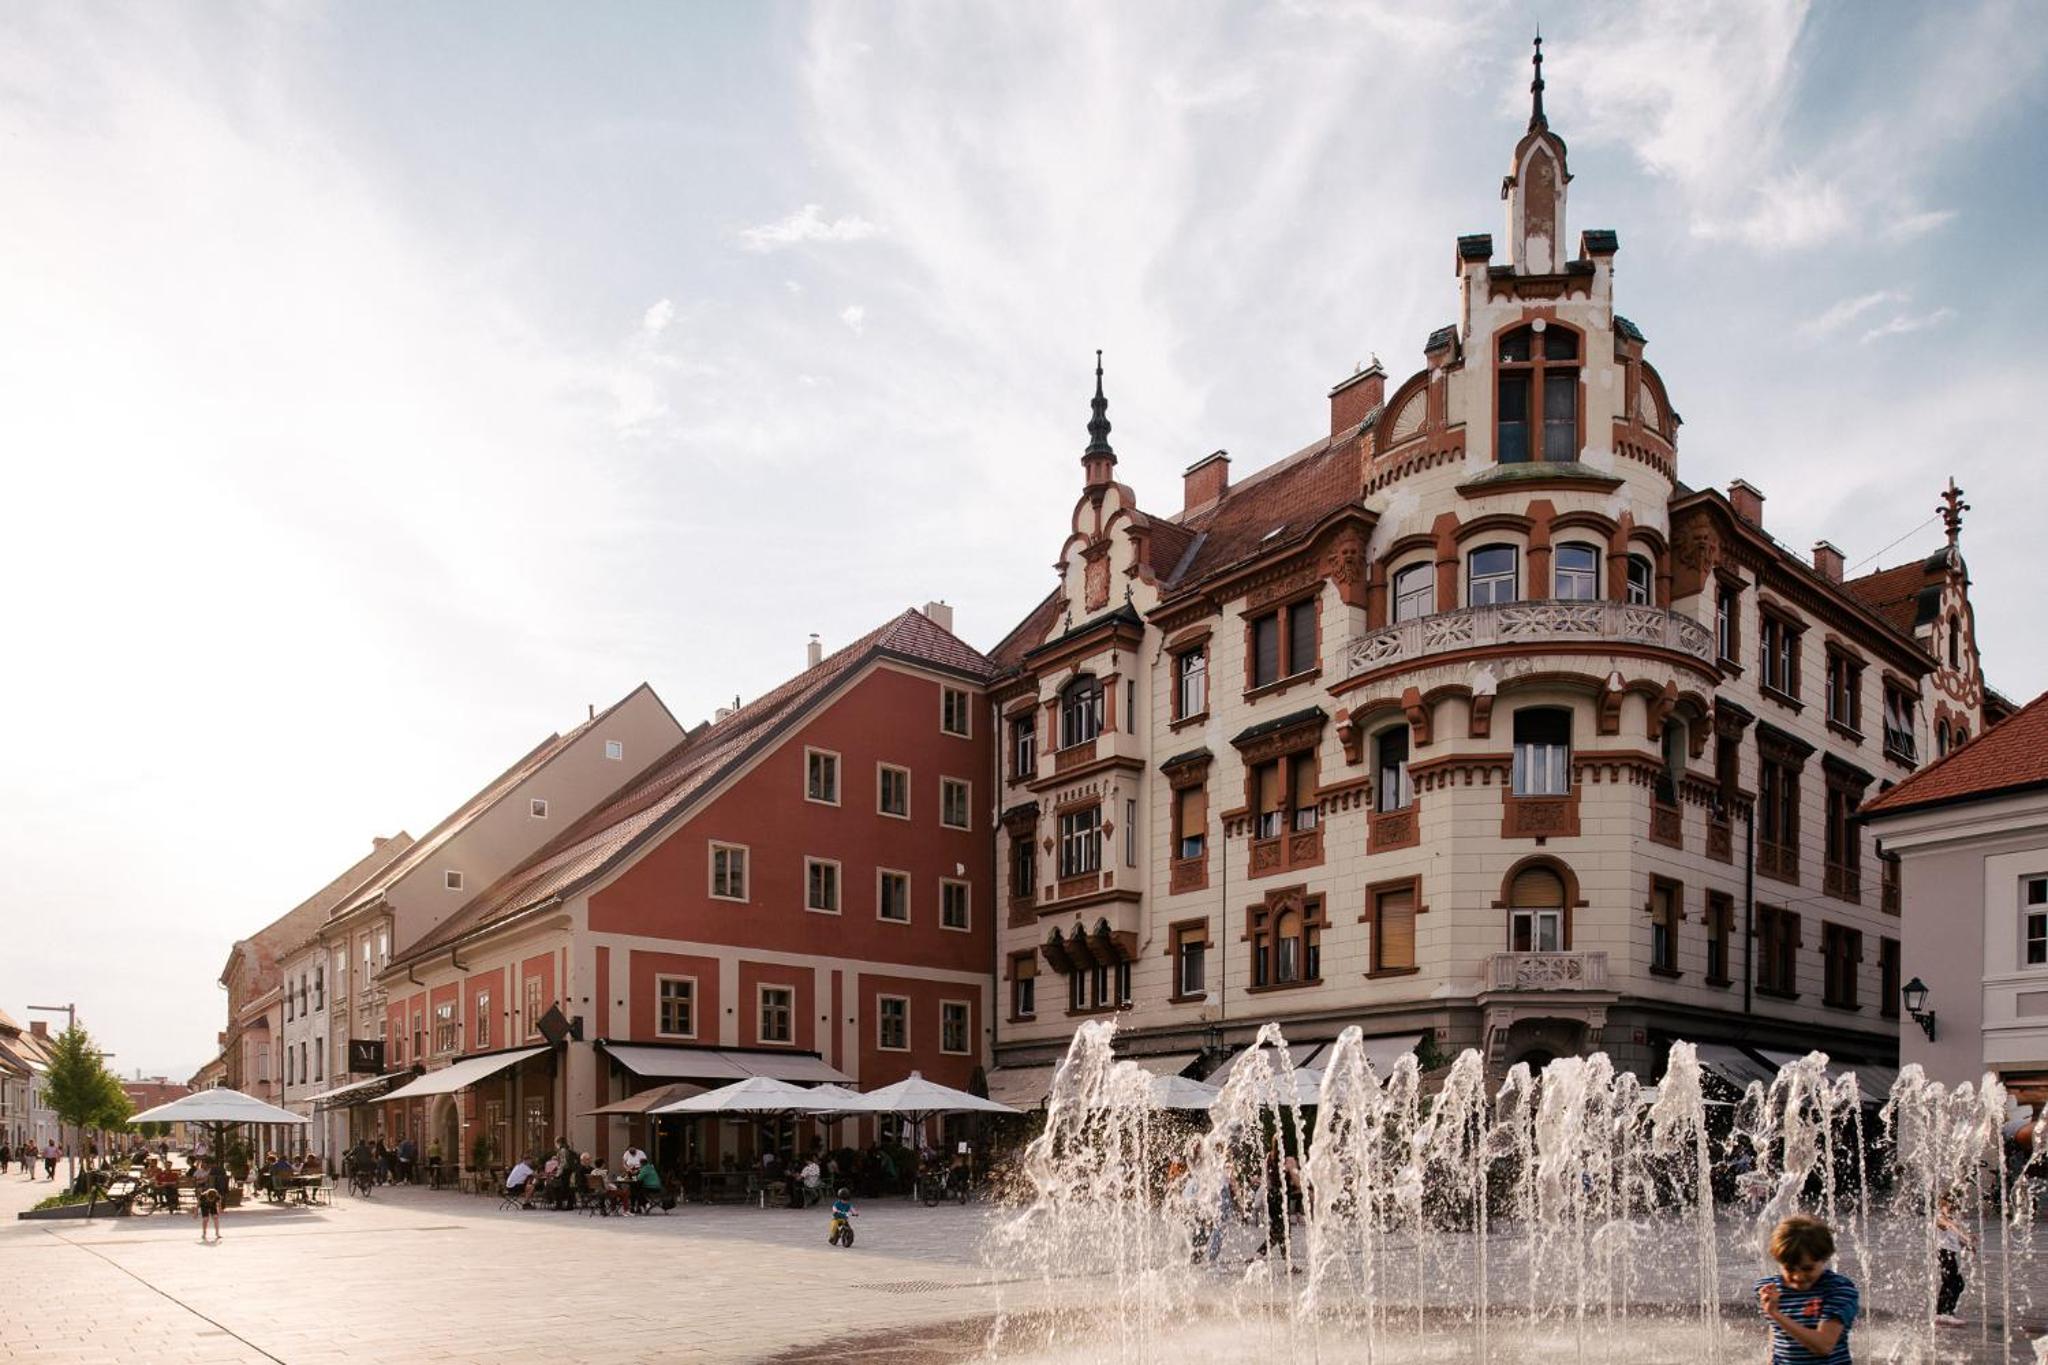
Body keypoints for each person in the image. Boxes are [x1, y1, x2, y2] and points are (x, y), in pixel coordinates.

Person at [1755, 1213, 1858, 1364]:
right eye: (1789, 1269)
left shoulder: (1838, 1290)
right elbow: (1776, 1333)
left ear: (1823, 1259)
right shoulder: (1770, 1290)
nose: (1798, 1277)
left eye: (1807, 1269)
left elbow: (1824, 1345)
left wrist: (1776, 1314)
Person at [1935, 1198, 1972, 1327]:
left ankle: (1941, 1314)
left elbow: (1954, 1239)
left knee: (1953, 1283)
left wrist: (1967, 1245)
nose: (1953, 1207)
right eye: (1950, 1204)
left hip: (1950, 1254)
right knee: (1954, 1283)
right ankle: (1945, 1313)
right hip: (1944, 1254)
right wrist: (1966, 1237)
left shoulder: (1949, 1218)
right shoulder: (1940, 1217)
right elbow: (1949, 1226)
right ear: (1944, 1204)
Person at [195, 1157, 226, 1244]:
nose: (210, 1200)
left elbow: (219, 1202)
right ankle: (204, 1233)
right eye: (209, 1199)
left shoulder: (216, 1196)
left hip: (212, 1206)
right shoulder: (203, 1196)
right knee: (205, 1219)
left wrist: (219, 1208)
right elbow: (198, 1204)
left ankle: (217, 1233)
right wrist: (196, 1212)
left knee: (215, 1218)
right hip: (204, 1206)